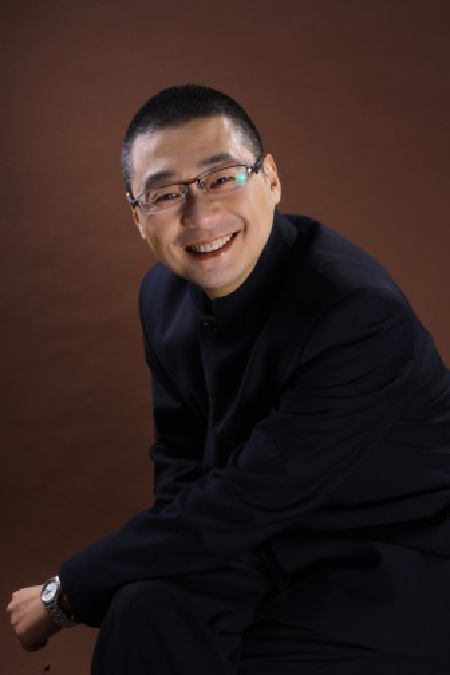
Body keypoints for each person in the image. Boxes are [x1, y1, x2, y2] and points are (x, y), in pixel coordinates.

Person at [7, 84, 450, 674]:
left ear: (271, 179)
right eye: (166, 194)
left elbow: (246, 497)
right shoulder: (161, 294)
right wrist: (148, 577)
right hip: (259, 544)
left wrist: (66, 592)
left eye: (222, 178)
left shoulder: (358, 314)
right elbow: (182, 463)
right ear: (138, 217)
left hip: (392, 564)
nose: (200, 215)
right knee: (144, 608)